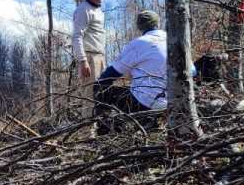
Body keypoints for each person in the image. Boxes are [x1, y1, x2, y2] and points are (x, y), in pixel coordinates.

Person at [93, 10, 223, 132]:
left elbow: (111, 74)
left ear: (139, 26)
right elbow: (192, 71)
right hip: (175, 102)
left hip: (144, 104)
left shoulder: (138, 44)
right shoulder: (175, 39)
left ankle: (109, 133)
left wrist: (98, 86)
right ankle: (152, 122)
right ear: (158, 23)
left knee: (103, 90)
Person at [72, 0, 108, 115]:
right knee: (90, 97)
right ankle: (88, 127)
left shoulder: (98, 10)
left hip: (100, 56)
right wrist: (83, 60)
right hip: (90, 58)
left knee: (102, 95)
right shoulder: (83, 9)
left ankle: (99, 125)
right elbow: (77, 36)